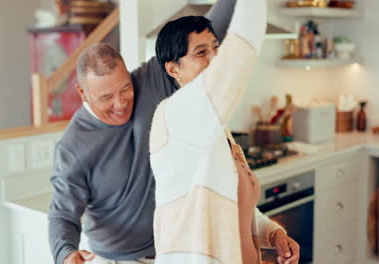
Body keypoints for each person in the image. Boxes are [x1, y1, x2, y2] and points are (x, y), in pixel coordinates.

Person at [47, 1, 237, 264]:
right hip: (118, 259)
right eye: (106, 97)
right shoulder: (73, 147)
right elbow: (62, 215)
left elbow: (209, 30)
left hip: (173, 248)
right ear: (82, 92)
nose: (120, 102)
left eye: (124, 88)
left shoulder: (150, 80)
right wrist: (66, 254)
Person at [149, 0, 300, 264]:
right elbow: (239, 55)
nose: (215, 59)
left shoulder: (213, 126)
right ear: (173, 68)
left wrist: (273, 234)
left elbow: (233, 207)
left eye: (216, 49)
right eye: (200, 53)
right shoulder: (174, 115)